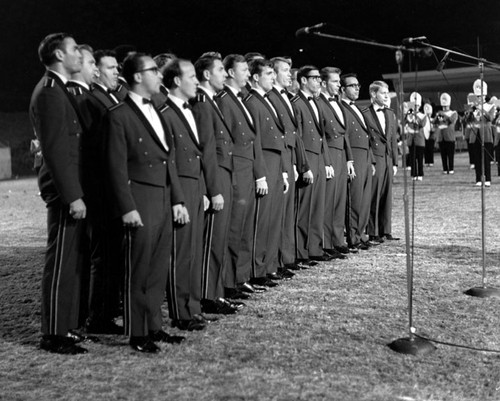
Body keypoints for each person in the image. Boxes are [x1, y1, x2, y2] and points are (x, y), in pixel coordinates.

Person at [105, 52, 188, 353]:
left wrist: (177, 199)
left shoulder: (156, 109)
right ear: (137, 76)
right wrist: (127, 207)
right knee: (138, 267)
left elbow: (168, 161)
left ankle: (154, 325)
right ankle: (137, 332)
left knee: (156, 267)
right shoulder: (118, 115)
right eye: (153, 70)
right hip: (139, 198)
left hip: (162, 197)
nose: (159, 75)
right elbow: (116, 168)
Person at [30, 32, 87, 354]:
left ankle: (65, 327)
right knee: (61, 261)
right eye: (74, 49)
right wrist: (72, 195)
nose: (79, 53)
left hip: (74, 187)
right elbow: (54, 150)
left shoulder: (59, 89)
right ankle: (52, 332)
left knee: (71, 261)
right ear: (58, 55)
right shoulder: (50, 92)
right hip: (66, 191)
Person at [162, 59, 221, 330]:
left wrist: (204, 189)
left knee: (194, 250)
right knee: (181, 252)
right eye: (190, 77)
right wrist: (178, 198)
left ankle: (192, 307)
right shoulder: (166, 112)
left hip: (195, 185)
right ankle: (181, 313)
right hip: (182, 187)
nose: (196, 82)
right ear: (176, 81)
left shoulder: (189, 109)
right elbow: (170, 160)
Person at [191, 53, 242, 314]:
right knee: (211, 239)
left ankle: (215, 291)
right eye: (221, 70)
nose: (225, 74)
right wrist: (211, 189)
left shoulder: (210, 101)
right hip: (215, 176)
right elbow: (205, 151)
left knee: (219, 238)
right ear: (207, 75)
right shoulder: (201, 103)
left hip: (223, 172)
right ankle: (206, 294)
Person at [215, 54, 268, 297]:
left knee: (244, 227)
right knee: (234, 229)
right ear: (230, 73)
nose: (248, 74)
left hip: (246, 168)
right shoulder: (225, 100)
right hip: (236, 169)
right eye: (243, 70)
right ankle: (228, 281)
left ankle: (240, 277)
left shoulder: (239, 99)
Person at [244, 58, 288, 285]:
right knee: (262, 220)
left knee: (272, 219)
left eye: (273, 73)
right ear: (255, 77)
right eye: (268, 73)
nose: (273, 77)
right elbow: (256, 141)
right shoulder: (252, 101)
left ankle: (269, 266)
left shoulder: (266, 99)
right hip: (264, 161)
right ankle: (259, 269)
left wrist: (282, 171)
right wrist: (260, 173)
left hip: (275, 161)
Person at [267, 57, 310, 271]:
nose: (290, 74)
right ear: (273, 73)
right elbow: (280, 135)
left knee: (288, 212)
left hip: (290, 156)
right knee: (280, 212)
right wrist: (288, 164)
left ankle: (286, 257)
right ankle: (278, 260)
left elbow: (294, 135)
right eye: (285, 70)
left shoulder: (286, 97)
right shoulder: (272, 97)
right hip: (282, 158)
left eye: (290, 70)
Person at [293, 66, 334, 261]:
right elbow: (298, 138)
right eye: (314, 78)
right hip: (308, 158)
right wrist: (304, 166)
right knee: (305, 208)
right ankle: (301, 251)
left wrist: (326, 161)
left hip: (318, 157)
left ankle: (315, 248)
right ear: (303, 80)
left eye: (319, 78)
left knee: (317, 206)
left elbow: (321, 135)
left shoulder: (316, 102)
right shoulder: (297, 103)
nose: (318, 81)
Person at [317, 67, 354, 255]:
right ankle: (326, 243)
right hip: (329, 152)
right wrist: (326, 161)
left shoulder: (338, 103)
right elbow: (321, 135)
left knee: (339, 200)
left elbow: (344, 133)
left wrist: (349, 158)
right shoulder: (318, 103)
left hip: (341, 153)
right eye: (334, 81)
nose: (339, 84)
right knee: (328, 201)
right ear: (323, 83)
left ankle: (338, 240)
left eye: (339, 81)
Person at [340, 73, 375, 250]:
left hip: (366, 156)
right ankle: (353, 236)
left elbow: (368, 135)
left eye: (358, 85)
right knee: (354, 198)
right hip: (354, 155)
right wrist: (349, 159)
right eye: (352, 85)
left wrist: (372, 161)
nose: (357, 88)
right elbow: (344, 135)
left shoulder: (358, 108)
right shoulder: (341, 108)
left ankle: (361, 233)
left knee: (364, 199)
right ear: (342, 89)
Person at [362, 81, 399, 243]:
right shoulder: (365, 113)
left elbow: (392, 139)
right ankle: (373, 231)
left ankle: (386, 230)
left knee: (387, 195)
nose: (386, 95)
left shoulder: (390, 113)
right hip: (375, 159)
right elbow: (366, 141)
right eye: (383, 93)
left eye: (387, 92)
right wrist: (370, 161)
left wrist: (396, 162)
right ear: (373, 94)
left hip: (388, 158)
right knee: (374, 195)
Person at [465, 80, 495, 187]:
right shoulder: (472, 106)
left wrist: (481, 109)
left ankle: (488, 178)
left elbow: (491, 118)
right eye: (477, 96)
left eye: (480, 96)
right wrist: (469, 111)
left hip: (486, 135)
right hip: (475, 134)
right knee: (477, 158)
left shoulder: (490, 106)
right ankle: (478, 178)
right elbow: (467, 119)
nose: (479, 98)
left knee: (486, 158)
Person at [405, 92, 427, 181]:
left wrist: (415, 118)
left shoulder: (422, 115)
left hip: (420, 139)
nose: (415, 107)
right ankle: (414, 174)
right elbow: (403, 122)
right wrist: (408, 114)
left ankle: (420, 174)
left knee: (420, 158)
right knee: (412, 158)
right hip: (411, 140)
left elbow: (422, 124)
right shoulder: (408, 114)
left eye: (417, 106)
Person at [434, 93, 458, 175]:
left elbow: (451, 120)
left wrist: (443, 115)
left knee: (450, 154)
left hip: (450, 136)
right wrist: (437, 116)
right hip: (441, 136)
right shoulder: (439, 113)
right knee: (443, 154)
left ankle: (451, 168)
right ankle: (445, 168)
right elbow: (435, 122)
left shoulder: (453, 113)